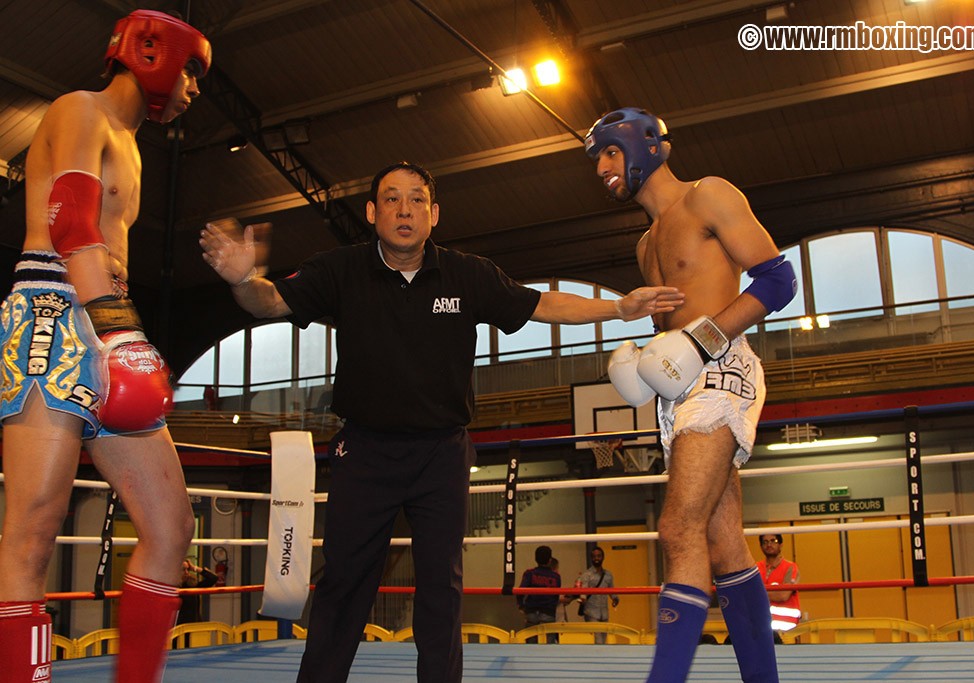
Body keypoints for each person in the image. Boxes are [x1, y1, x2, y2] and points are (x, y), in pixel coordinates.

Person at [198, 160, 684, 683]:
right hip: (365, 453)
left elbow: (541, 303)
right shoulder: (339, 269)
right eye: (390, 198)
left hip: (441, 455)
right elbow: (270, 302)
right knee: (343, 584)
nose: (403, 209)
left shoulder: (467, 274)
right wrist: (244, 278)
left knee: (441, 591)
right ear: (370, 212)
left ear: (434, 214)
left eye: (415, 199)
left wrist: (617, 308)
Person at [0, 11, 211, 683]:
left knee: (172, 526)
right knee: (34, 527)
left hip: (107, 313)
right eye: (192, 73)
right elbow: (71, 222)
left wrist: (120, 330)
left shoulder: (135, 144)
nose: (194, 90)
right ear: (152, 54)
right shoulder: (80, 109)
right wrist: (123, 334)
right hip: (55, 308)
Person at [587, 107, 797, 682]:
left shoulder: (709, 195)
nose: (603, 166)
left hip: (722, 366)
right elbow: (675, 334)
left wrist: (703, 340)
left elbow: (779, 280)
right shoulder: (644, 244)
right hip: (681, 388)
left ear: (648, 147)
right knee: (723, 543)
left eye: (611, 150)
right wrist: (645, 361)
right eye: (597, 157)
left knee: (678, 529)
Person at [755, 534, 801, 640]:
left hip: (787, 632)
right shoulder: (755, 568)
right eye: (765, 542)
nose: (769, 545)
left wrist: (756, 594)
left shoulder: (790, 567)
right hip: (761, 629)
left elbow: (783, 596)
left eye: (773, 541)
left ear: (781, 545)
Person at [517, 545, 561, 643]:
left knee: (531, 644)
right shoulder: (555, 577)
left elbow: (520, 591)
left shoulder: (530, 574)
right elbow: (556, 596)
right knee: (548, 644)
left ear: (535, 559)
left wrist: (521, 605)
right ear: (550, 560)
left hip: (532, 612)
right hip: (548, 612)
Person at [578, 546, 619, 644]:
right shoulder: (586, 575)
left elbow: (612, 590)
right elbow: (583, 591)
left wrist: (615, 598)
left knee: (604, 641)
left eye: (599, 556)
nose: (596, 558)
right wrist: (582, 599)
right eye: (594, 556)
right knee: (598, 641)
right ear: (591, 558)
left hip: (604, 612)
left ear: (603, 557)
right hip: (591, 612)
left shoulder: (608, 575)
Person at [179, 558, 220, 624]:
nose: (186, 572)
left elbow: (213, 578)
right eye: (183, 570)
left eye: (188, 569)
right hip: (179, 627)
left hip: (194, 624)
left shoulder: (192, 585)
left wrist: (195, 568)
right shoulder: (171, 587)